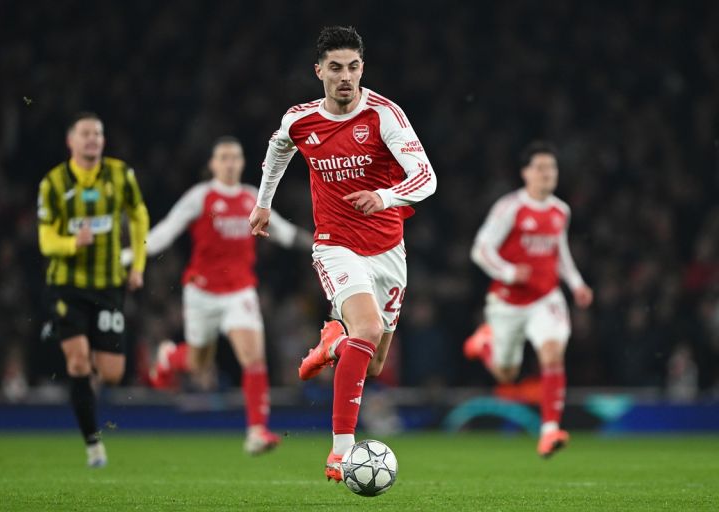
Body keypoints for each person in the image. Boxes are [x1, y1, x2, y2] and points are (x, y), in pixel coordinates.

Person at [249, 26, 437, 480]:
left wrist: (384, 196)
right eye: (335, 68)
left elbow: (426, 177)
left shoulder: (384, 114)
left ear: (362, 69)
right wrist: (263, 203)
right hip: (335, 245)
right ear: (319, 71)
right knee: (367, 328)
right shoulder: (300, 120)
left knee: (373, 362)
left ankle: (333, 341)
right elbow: (278, 150)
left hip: (388, 248)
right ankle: (342, 451)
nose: (345, 76)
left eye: (353, 67)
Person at [124, 136, 312, 455]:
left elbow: (284, 232)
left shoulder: (253, 197)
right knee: (198, 363)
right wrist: (129, 256)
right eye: (223, 157)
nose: (230, 163)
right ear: (212, 164)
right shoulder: (201, 197)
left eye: (235, 157)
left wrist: (320, 244)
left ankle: (256, 431)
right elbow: (166, 232)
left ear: (242, 163)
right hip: (201, 292)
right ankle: (169, 357)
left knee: (253, 356)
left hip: (240, 291)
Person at [465, 141, 593, 458]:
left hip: (545, 299)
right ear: (525, 173)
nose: (547, 173)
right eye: (540, 168)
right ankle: (485, 343)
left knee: (552, 353)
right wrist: (509, 272)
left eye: (551, 168)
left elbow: (560, 253)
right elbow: (480, 249)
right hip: (507, 302)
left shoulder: (560, 211)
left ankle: (549, 431)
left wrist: (577, 284)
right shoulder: (510, 208)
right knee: (506, 374)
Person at [37, 112, 149, 467]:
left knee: (112, 373)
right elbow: (45, 238)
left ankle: (78, 369)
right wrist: (72, 243)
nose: (92, 139)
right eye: (85, 133)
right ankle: (92, 443)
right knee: (78, 361)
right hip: (67, 285)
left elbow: (139, 214)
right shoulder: (53, 183)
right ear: (70, 141)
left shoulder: (120, 174)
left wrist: (138, 264)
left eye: (98, 134)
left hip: (108, 285)